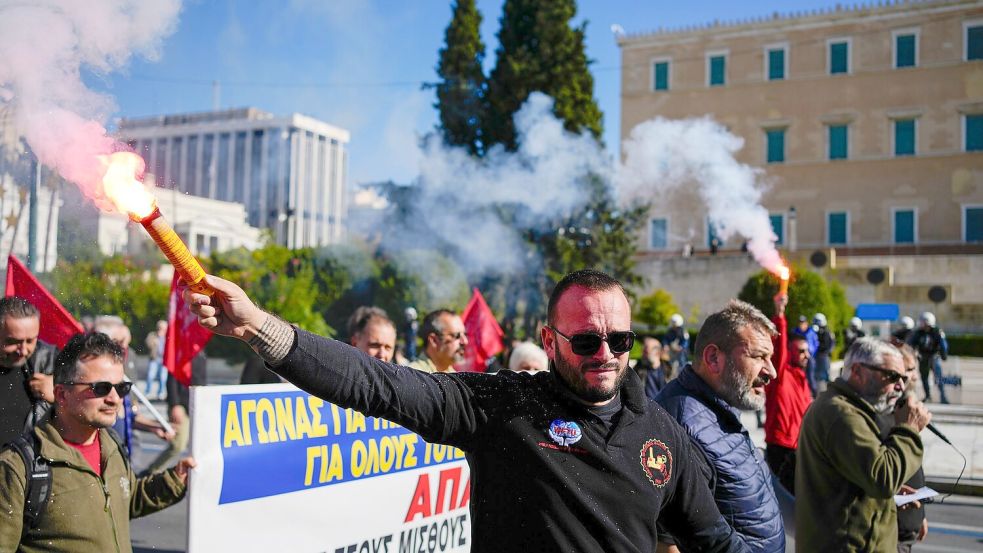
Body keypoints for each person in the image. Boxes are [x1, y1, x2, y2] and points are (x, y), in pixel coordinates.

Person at [184, 269, 747, 552]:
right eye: (585, 342)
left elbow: (714, 541)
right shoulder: (503, 405)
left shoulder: (663, 436)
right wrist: (257, 326)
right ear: (550, 343)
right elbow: (375, 384)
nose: (605, 355)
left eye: (619, 341)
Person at [0, 332, 194, 551]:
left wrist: (175, 480)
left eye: (121, 388)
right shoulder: (19, 467)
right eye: (100, 388)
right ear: (62, 395)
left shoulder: (110, 443)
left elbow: (125, 501)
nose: (114, 399)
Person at [656, 299, 784, 552]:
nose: (772, 371)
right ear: (714, 358)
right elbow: (667, 543)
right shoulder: (682, 425)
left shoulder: (719, 405)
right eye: (759, 356)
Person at [796, 337, 930, 552]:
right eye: (892, 376)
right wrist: (909, 429)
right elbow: (883, 477)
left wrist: (887, 497)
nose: (900, 386)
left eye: (904, 378)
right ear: (858, 371)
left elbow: (853, 480)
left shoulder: (852, 409)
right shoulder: (841, 414)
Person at [879, 344, 929, 551]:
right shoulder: (883, 414)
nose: (910, 377)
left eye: (911, 370)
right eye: (904, 371)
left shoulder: (904, 412)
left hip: (908, 524)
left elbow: (914, 469)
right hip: (891, 529)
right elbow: (884, 471)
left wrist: (921, 516)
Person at [764, 294, 812, 495]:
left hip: (799, 447)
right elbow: (778, 349)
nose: (806, 356)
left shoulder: (803, 380)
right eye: (801, 351)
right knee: (780, 498)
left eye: (807, 351)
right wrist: (780, 315)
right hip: (780, 446)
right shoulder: (780, 375)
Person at [0, 297, 58, 446]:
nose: (23, 350)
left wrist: (60, 394)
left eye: (30, 341)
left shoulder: (49, 363)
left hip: (28, 465)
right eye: (12, 342)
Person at [143, 351, 207, 475]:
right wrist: (175, 404)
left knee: (198, 445)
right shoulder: (181, 352)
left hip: (196, 404)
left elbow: (202, 380)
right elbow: (171, 380)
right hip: (180, 405)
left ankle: (194, 474)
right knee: (178, 445)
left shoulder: (201, 354)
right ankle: (153, 471)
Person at [408, 309, 468, 373]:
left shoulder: (455, 378)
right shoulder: (413, 376)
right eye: (457, 335)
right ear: (434, 340)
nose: (465, 341)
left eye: (465, 335)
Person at [908, 312, 949, 404]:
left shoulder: (937, 331)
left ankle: (943, 396)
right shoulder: (918, 332)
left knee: (938, 377)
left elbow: (943, 344)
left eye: (925, 322)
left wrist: (944, 354)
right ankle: (928, 396)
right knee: (924, 378)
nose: (924, 325)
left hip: (934, 357)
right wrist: (912, 354)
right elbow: (911, 344)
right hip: (923, 358)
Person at [633, 336, 672, 400]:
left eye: (646, 351)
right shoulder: (638, 369)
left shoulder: (670, 370)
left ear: (657, 352)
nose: (642, 354)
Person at [791, 315, 819, 397]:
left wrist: (809, 354)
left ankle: (815, 396)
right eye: (800, 323)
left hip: (809, 358)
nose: (801, 325)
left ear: (806, 323)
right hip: (797, 360)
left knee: (810, 378)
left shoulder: (811, 332)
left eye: (803, 323)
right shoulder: (794, 332)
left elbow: (816, 344)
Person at [144, 320, 168, 399]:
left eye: (164, 328)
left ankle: (160, 392)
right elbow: (147, 343)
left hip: (164, 359)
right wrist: (154, 342)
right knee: (150, 375)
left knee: (163, 377)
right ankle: (147, 391)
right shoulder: (153, 335)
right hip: (154, 358)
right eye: (160, 328)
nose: (162, 330)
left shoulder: (168, 336)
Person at [812, 313, 835, 394]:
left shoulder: (826, 332)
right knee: (816, 376)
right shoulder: (815, 332)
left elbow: (827, 345)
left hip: (824, 357)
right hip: (817, 357)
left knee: (824, 376)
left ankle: (826, 392)